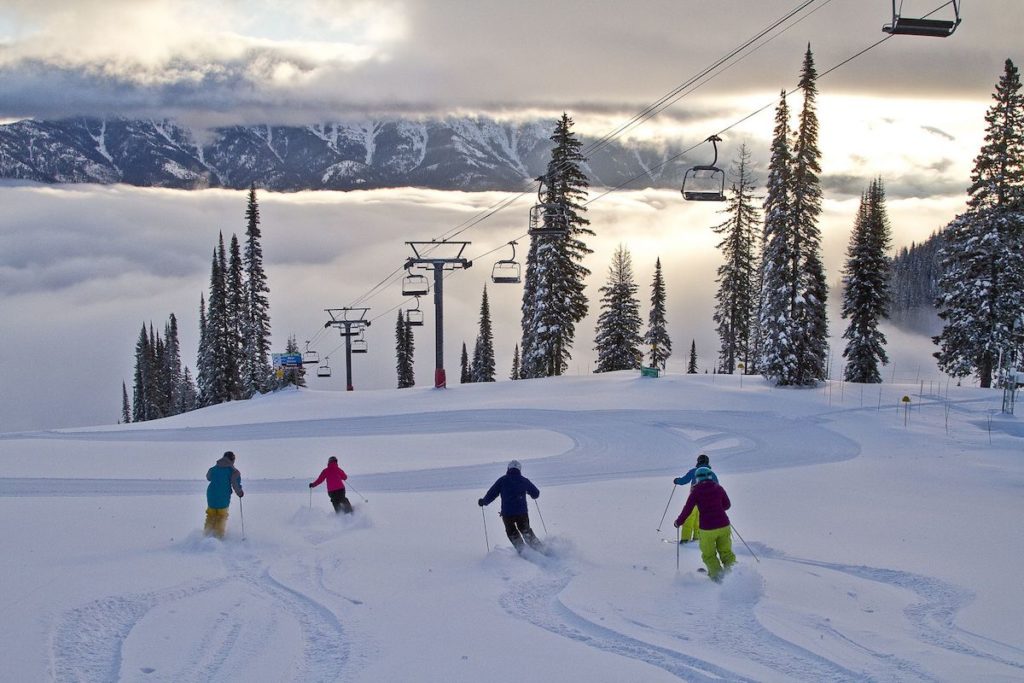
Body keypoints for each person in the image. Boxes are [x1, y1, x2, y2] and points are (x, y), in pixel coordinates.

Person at [674, 466, 735, 581]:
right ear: (710, 476)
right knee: (726, 552)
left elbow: (688, 510)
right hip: (724, 526)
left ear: (697, 478)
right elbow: (727, 505)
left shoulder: (696, 492)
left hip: (707, 529)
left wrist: (679, 522)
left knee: (709, 555)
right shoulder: (719, 488)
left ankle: (718, 577)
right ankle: (734, 576)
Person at [478, 460, 542, 553]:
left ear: (508, 468)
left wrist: (483, 502)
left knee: (511, 532)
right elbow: (536, 493)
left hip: (508, 514)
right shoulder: (524, 480)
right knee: (526, 531)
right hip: (522, 513)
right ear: (519, 469)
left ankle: (524, 552)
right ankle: (540, 549)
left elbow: (492, 494)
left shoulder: (502, 480)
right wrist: (530, 493)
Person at [672, 454, 718, 543]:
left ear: (698, 462)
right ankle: (697, 538)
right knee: (699, 519)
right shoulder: (711, 474)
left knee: (689, 518)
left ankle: (685, 539)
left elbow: (683, 481)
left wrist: (677, 480)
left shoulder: (694, 471)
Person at [205, 451, 244, 539]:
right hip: (223, 497)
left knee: (211, 515)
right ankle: (218, 538)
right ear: (233, 460)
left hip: (211, 495)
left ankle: (206, 535)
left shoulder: (214, 468)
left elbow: (208, 477)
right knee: (221, 516)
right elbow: (235, 484)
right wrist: (240, 493)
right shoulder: (234, 471)